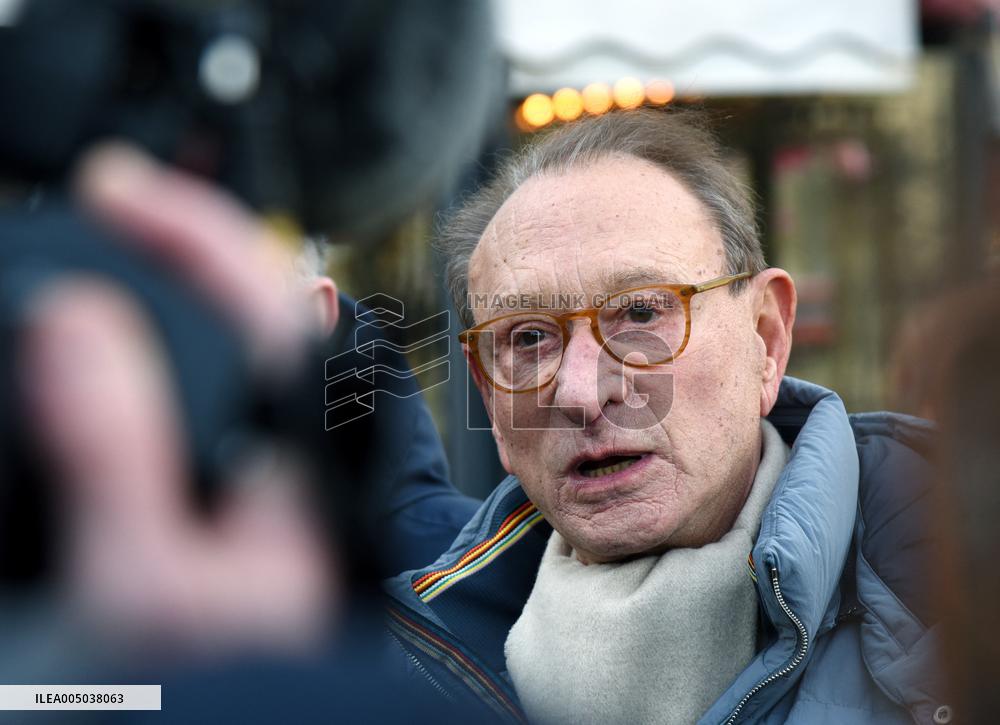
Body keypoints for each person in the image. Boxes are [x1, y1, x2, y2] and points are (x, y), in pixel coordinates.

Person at [385, 109, 948, 724]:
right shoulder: (389, 673)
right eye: (527, 339)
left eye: (642, 314)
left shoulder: (961, 593)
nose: (580, 392)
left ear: (766, 337)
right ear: (489, 398)